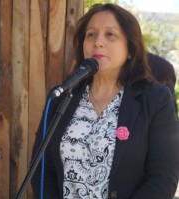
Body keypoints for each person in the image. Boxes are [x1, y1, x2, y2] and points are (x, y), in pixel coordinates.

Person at [31, 3, 179, 199]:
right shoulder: (62, 97)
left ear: (130, 49)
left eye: (110, 34)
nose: (98, 42)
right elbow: (41, 169)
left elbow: (163, 178)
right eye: (91, 34)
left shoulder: (155, 100)